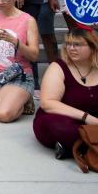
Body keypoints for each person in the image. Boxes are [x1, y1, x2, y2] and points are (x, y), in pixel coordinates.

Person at [34, 25, 98, 159]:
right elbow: (47, 103)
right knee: (61, 128)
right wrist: (87, 118)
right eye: (69, 44)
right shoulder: (58, 67)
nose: (71, 48)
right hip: (63, 117)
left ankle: (74, 148)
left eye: (78, 44)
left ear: (93, 47)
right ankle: (84, 145)